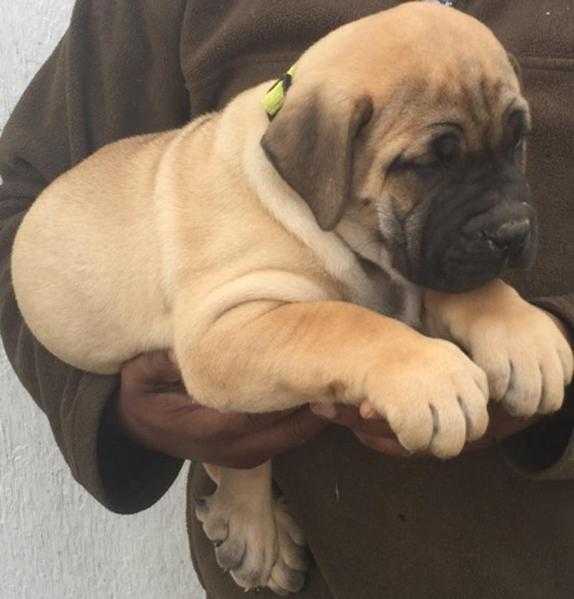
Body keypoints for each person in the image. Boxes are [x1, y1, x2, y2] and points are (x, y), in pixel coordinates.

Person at [0, 1, 572, 597]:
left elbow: (396, 273)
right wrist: (381, 358)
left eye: (514, 140)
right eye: (427, 164)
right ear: (319, 169)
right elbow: (222, 348)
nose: (508, 219)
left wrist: (530, 324)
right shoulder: (269, 169)